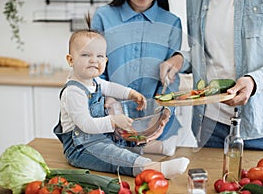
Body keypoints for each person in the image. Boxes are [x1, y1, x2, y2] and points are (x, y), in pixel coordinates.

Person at [53, 22, 189, 178]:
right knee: (114, 154)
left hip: (100, 137)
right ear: (70, 60)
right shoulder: (74, 91)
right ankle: (155, 169)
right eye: (85, 55)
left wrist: (131, 94)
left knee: (123, 139)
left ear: (106, 60)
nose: (93, 60)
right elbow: (86, 124)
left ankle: (161, 147)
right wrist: (112, 121)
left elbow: (111, 88)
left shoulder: (95, 82)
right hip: (82, 148)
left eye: (99, 56)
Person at [160, 0, 263, 151]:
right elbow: (204, 53)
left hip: (261, 127)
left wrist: (253, 81)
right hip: (209, 125)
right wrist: (181, 59)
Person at [91, 0, 183, 156]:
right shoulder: (103, 17)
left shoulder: (172, 23)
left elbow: (171, 78)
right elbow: (95, 68)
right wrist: (108, 99)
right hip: (110, 121)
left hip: (156, 131)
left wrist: (165, 111)